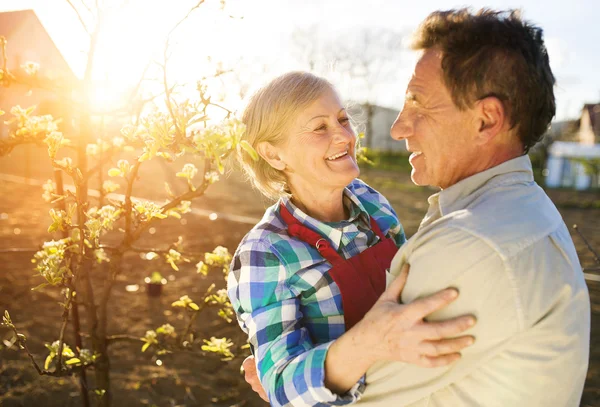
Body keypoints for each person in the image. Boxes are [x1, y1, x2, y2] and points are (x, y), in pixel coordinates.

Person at [356, 8, 591, 406]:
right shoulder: (519, 210)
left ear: (486, 120)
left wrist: (286, 376)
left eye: (418, 103)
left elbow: (351, 399)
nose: (398, 127)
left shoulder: (473, 244)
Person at [227, 71, 477, 407]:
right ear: (274, 155)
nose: (344, 136)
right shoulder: (266, 254)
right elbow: (283, 388)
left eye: (343, 119)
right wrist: (370, 343)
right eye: (320, 127)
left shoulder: (369, 201)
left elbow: (412, 286)